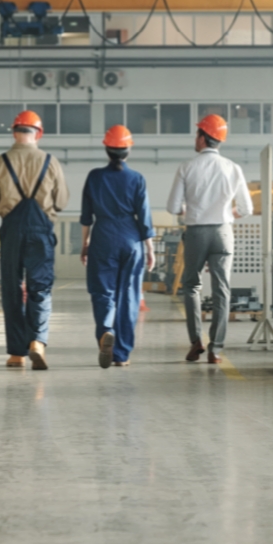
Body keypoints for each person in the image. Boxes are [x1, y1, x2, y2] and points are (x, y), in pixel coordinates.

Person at [0, 110, 69, 370]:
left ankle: (16, 354)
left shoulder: (0, 162)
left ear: (14, 132)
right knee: (39, 288)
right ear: (39, 134)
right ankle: (37, 342)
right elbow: (62, 200)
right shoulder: (50, 161)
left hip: (12, 230)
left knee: (11, 289)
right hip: (40, 231)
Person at [165, 113, 253, 364]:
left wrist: (192, 210)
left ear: (203, 137)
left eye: (197, 134)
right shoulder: (233, 168)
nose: (195, 138)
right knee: (222, 291)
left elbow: (173, 207)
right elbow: (246, 208)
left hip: (196, 232)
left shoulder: (187, 167)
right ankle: (216, 350)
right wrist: (227, 215)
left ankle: (196, 342)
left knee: (191, 286)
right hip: (224, 232)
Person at [79, 125, 155, 369]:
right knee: (129, 296)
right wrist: (150, 249)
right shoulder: (137, 179)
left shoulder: (94, 177)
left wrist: (85, 243)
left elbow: (86, 216)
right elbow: (144, 217)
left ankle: (105, 332)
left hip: (103, 236)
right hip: (131, 239)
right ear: (128, 149)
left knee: (103, 292)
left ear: (106, 148)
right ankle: (121, 355)